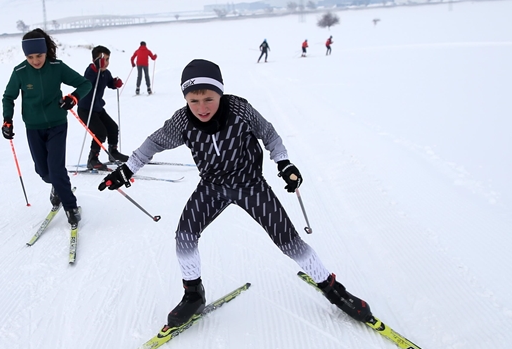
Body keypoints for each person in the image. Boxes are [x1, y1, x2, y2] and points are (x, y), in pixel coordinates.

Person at [98, 59, 373, 328]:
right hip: (212, 187)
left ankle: (334, 291)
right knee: (184, 235)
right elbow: (154, 142)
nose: (201, 108)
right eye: (193, 101)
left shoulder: (239, 110)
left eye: (208, 99)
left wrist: (284, 162)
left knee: (288, 241)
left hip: (249, 185)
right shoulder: (183, 121)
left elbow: (269, 135)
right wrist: (127, 169)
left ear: (219, 92)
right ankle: (193, 295)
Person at [1, 28, 91, 225]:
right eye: (30, 56)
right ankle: (57, 186)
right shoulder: (20, 72)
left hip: (57, 124)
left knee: (56, 169)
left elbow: (85, 84)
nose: (35, 60)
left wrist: (73, 98)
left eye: (39, 55)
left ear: (45, 51)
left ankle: (71, 207)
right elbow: (8, 97)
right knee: (44, 172)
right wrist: (7, 120)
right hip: (33, 127)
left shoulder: (57, 67)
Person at [78, 45, 129, 170]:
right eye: (102, 59)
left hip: (98, 108)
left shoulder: (105, 73)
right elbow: (88, 82)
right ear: (95, 60)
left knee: (113, 127)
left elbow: (110, 83)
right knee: (100, 132)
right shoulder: (90, 71)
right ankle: (92, 159)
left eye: (107, 59)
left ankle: (113, 153)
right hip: (86, 109)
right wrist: (96, 69)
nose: (105, 62)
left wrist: (115, 83)